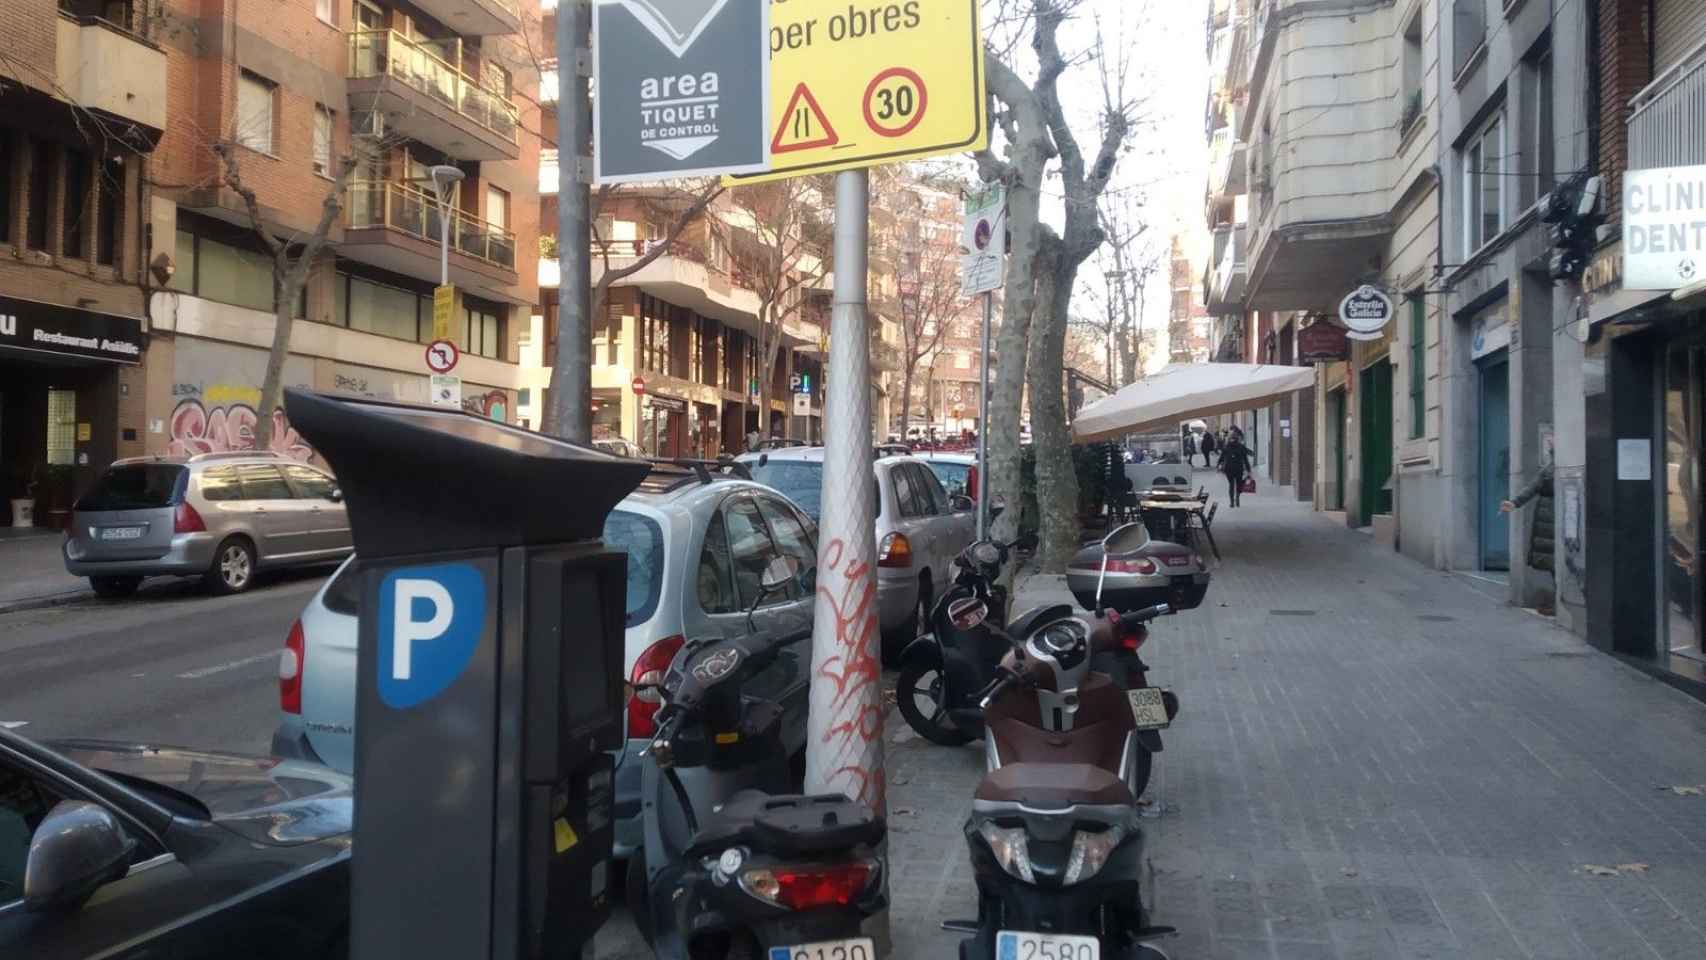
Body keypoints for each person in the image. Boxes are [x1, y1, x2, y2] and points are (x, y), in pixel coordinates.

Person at [1220, 432, 1252, 507]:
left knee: (1231, 485)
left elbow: (1221, 457)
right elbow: (1245, 459)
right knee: (1239, 484)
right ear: (1238, 439)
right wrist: (1248, 469)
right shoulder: (1241, 447)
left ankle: (1231, 502)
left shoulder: (1226, 446)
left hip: (1229, 469)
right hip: (1238, 468)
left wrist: (1219, 465)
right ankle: (1237, 498)